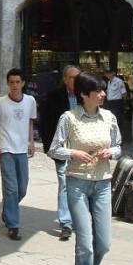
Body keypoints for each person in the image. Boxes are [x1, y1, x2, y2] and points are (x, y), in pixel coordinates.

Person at [48, 72, 121, 265]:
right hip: (77, 182)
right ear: (84, 94)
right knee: (85, 244)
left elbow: (118, 146)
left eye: (103, 90)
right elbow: (54, 149)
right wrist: (74, 153)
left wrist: (111, 152)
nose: (103, 94)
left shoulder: (109, 117)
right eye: (97, 91)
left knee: (104, 244)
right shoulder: (68, 118)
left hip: (103, 183)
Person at [0, 68, 37, 241]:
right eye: (11, 82)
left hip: (22, 148)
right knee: (11, 188)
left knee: (22, 187)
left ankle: (8, 210)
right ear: (7, 84)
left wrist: (31, 141)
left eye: (18, 82)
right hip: (6, 148)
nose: (15, 86)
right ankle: (13, 225)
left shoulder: (30, 101)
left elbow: (30, 122)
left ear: (23, 83)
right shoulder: (1, 103)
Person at [38, 64, 80, 241]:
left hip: (81, 148)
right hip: (62, 148)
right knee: (64, 183)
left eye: (78, 77)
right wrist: (49, 146)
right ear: (64, 79)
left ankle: (79, 218)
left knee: (80, 184)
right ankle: (66, 223)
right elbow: (45, 122)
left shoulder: (85, 95)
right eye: (72, 77)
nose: (76, 81)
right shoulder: (54, 97)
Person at [102, 68, 126, 133]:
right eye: (106, 73)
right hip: (109, 103)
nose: (107, 74)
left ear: (113, 73)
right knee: (110, 119)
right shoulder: (108, 82)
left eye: (109, 73)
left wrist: (122, 103)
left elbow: (124, 93)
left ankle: (118, 137)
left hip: (117, 103)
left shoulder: (119, 81)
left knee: (117, 120)